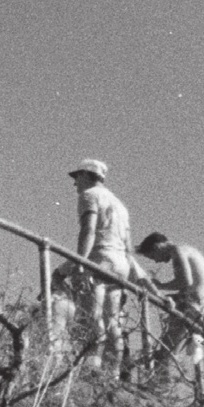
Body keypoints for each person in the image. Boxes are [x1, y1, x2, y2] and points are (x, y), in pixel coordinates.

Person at [66, 158, 132, 373]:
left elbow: (88, 230)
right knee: (112, 321)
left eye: (77, 177)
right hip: (121, 264)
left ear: (86, 175)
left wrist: (80, 263)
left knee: (90, 316)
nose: (75, 183)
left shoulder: (90, 195)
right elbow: (128, 246)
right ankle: (111, 375)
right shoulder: (120, 205)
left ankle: (90, 369)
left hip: (100, 259)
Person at [135, 231, 204, 363]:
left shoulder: (178, 251)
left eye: (153, 256)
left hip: (190, 305)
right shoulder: (192, 251)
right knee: (172, 353)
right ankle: (196, 340)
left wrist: (159, 286)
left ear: (157, 247)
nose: (156, 261)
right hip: (203, 307)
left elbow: (185, 281)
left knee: (165, 353)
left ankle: (158, 382)